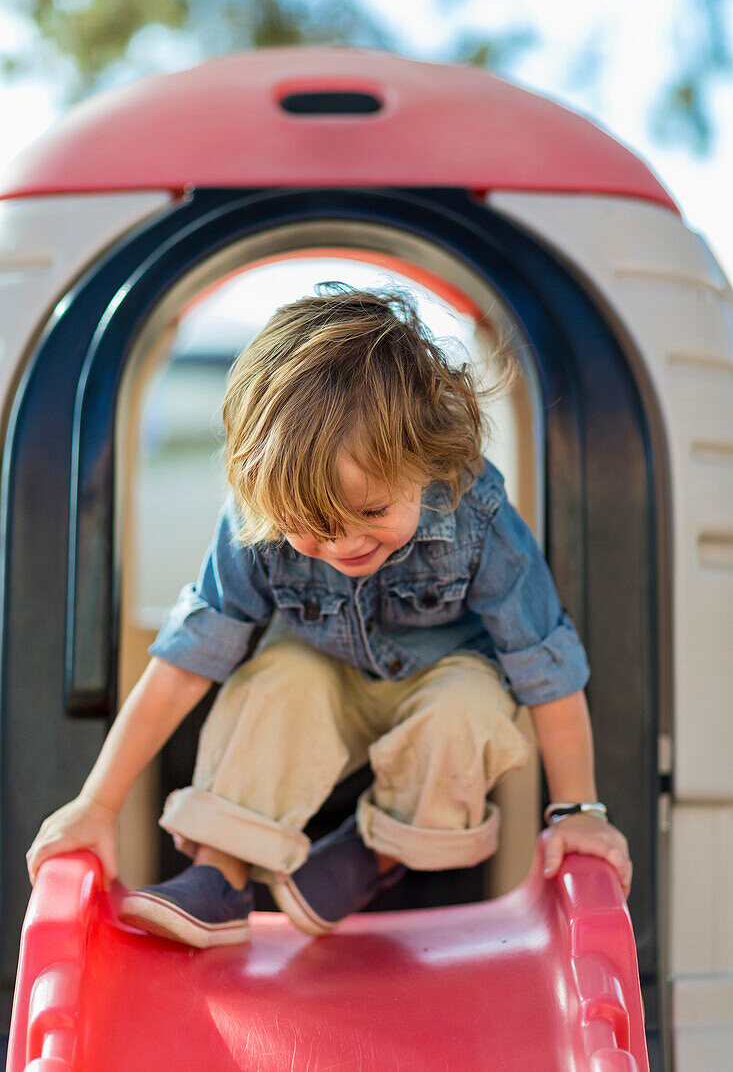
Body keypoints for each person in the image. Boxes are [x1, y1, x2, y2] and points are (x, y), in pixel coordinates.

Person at [26, 283, 632, 948]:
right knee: (276, 681)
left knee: (471, 709)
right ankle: (219, 872)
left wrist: (578, 812)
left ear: (427, 461)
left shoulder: (477, 518)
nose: (345, 544)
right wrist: (98, 804)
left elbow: (548, 669)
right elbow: (183, 663)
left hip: (445, 673)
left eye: (372, 512)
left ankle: (377, 853)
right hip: (323, 667)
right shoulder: (252, 528)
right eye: (307, 526)